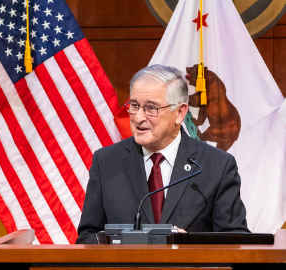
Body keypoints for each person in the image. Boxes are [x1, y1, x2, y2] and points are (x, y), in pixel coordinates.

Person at [76, 64, 249, 244]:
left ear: (180, 113)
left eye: (151, 108)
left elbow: (236, 240)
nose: (139, 117)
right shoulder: (106, 162)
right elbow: (88, 237)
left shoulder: (216, 165)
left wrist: (192, 244)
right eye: (134, 105)